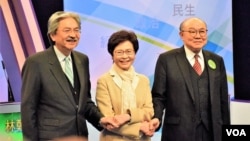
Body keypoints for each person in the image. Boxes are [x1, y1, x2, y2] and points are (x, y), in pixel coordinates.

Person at [21, 11, 117, 141]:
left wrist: (101, 119)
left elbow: (85, 102)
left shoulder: (82, 60)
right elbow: (28, 108)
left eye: (76, 30)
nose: (73, 35)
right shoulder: (36, 62)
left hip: (79, 136)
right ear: (53, 35)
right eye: (67, 30)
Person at [149, 17, 230, 141]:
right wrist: (156, 117)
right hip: (178, 132)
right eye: (192, 31)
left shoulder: (216, 60)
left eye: (202, 31)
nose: (198, 36)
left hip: (212, 133)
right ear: (181, 35)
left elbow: (223, 101)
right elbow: (159, 96)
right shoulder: (167, 59)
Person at [95, 30, 154, 141]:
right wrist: (139, 128)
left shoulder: (143, 80)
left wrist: (128, 116)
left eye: (129, 51)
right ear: (112, 54)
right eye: (119, 52)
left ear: (135, 53)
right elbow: (109, 120)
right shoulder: (104, 81)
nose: (125, 56)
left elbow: (148, 111)